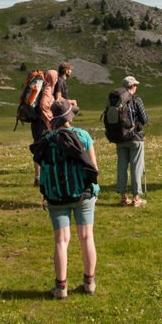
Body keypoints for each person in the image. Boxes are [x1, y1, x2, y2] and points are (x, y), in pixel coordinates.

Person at [35, 97, 99, 299]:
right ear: (70, 117)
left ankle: (61, 287)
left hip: (56, 197)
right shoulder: (83, 135)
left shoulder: (46, 140)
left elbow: (42, 169)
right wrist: (95, 190)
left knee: (61, 241)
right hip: (83, 194)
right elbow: (93, 168)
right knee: (87, 237)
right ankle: (89, 282)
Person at [109, 75, 149, 206]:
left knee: (121, 167)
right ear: (131, 86)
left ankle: (123, 197)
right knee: (136, 167)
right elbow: (144, 119)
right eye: (135, 85)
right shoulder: (136, 100)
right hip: (135, 138)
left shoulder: (115, 101)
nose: (136, 87)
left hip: (119, 137)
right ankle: (136, 198)